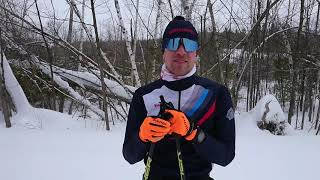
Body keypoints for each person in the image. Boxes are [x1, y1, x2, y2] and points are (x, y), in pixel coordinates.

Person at [122, 16, 235, 180]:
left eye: (189, 44)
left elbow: (225, 156)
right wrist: (142, 136)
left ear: (196, 53)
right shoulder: (144, 95)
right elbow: (129, 155)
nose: (181, 51)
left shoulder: (216, 94)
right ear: (163, 52)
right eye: (173, 43)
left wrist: (193, 132)